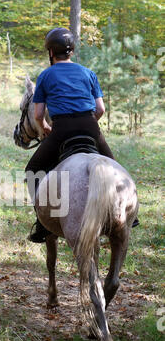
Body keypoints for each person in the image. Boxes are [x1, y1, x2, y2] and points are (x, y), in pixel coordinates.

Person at [26, 27, 138, 243]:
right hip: (90, 126)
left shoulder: (46, 75)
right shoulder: (88, 73)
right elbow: (100, 110)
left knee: (33, 169)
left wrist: (46, 128)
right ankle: (130, 215)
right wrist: (88, 125)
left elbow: (38, 114)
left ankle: (41, 223)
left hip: (61, 128)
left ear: (51, 52)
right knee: (115, 167)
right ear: (72, 52)